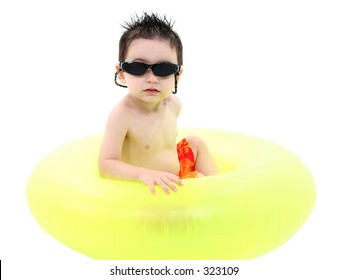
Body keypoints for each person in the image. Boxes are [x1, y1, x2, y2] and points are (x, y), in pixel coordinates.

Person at [98, 12, 218, 195]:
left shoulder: (174, 105)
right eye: (138, 68)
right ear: (122, 73)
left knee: (195, 142)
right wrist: (144, 175)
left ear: (177, 75)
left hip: (174, 177)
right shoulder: (123, 114)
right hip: (146, 187)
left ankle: (218, 191)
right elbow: (106, 165)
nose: (152, 79)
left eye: (163, 69)